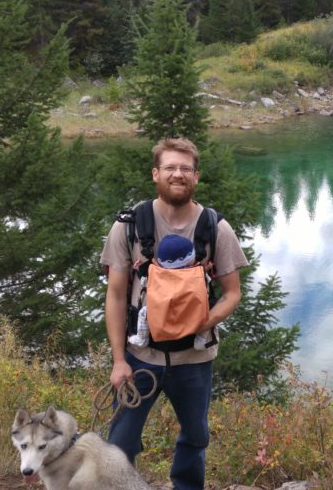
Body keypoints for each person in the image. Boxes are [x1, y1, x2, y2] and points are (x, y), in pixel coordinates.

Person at [100, 137, 249, 490]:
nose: (177, 174)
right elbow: (116, 295)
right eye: (170, 167)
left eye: (185, 169)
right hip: (140, 358)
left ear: (196, 177)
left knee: (195, 438)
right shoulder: (129, 225)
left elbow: (232, 294)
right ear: (156, 174)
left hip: (195, 360)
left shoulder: (215, 227)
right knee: (120, 442)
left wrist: (204, 322)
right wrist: (119, 360)